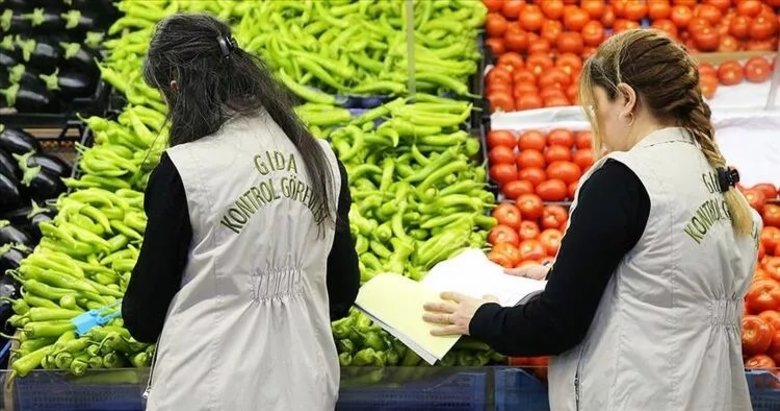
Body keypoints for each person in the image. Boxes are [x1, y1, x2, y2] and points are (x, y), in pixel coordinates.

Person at [423, 29, 762, 411]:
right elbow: (667, 276)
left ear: (627, 99)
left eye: (598, 104)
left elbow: (556, 325)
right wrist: (561, 271)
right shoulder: (716, 179)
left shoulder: (625, 178)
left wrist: (480, 318)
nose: (596, 121)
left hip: (641, 397)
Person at [121, 14, 360, 411]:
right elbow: (342, 293)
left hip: (206, 390)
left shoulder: (186, 170)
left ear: (176, 88)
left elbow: (143, 318)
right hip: (306, 384)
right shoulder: (320, 158)